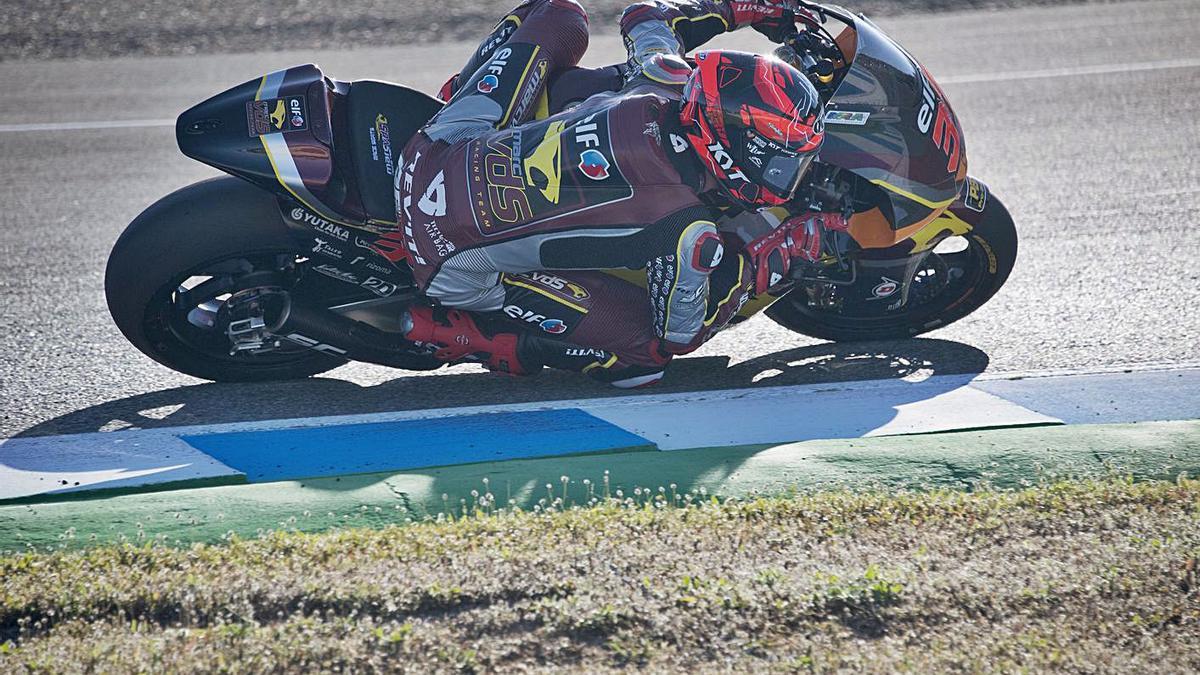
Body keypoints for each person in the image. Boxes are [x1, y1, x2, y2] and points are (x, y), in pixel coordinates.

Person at [396, 0, 845, 388]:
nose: (791, 175)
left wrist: (740, 9)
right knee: (644, 359)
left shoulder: (661, 78)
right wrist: (778, 252)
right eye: (785, 162)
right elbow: (681, 334)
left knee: (562, 14)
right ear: (731, 151)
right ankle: (488, 340)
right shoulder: (687, 228)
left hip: (435, 147)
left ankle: (468, 88)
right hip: (443, 255)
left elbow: (645, 15)